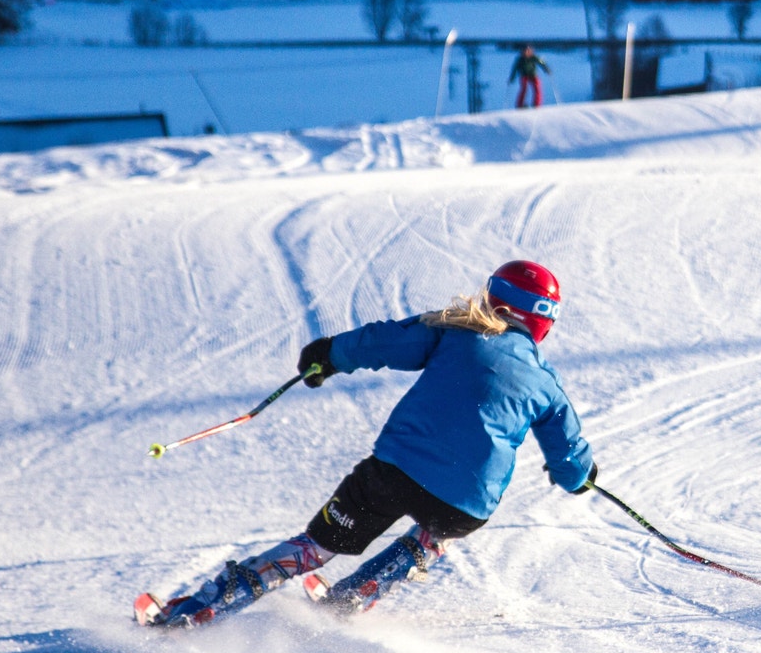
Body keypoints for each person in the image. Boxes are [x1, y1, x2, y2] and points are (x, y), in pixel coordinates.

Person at [135, 260, 596, 628]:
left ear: (493, 298)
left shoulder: (455, 329)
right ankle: (355, 596)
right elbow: (569, 457)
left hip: (393, 474)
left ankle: (200, 609)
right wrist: (580, 476)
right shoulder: (546, 382)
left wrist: (327, 357)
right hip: (467, 504)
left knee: (316, 548)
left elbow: (384, 342)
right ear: (543, 323)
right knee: (437, 532)